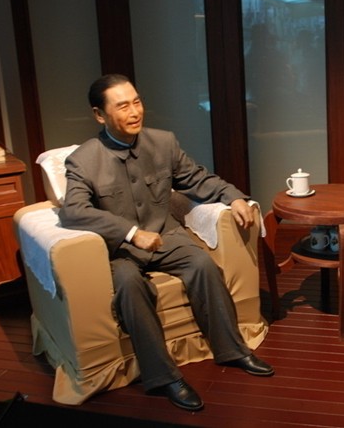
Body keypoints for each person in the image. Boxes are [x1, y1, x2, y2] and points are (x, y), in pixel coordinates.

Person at [59, 74, 274, 412]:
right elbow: (73, 211)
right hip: (120, 250)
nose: (134, 112)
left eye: (137, 102)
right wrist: (131, 233)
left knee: (202, 264)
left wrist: (234, 197)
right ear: (99, 115)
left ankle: (232, 350)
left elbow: (197, 179)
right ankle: (164, 377)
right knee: (129, 285)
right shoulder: (83, 160)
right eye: (122, 106)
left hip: (166, 236)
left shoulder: (163, 142)